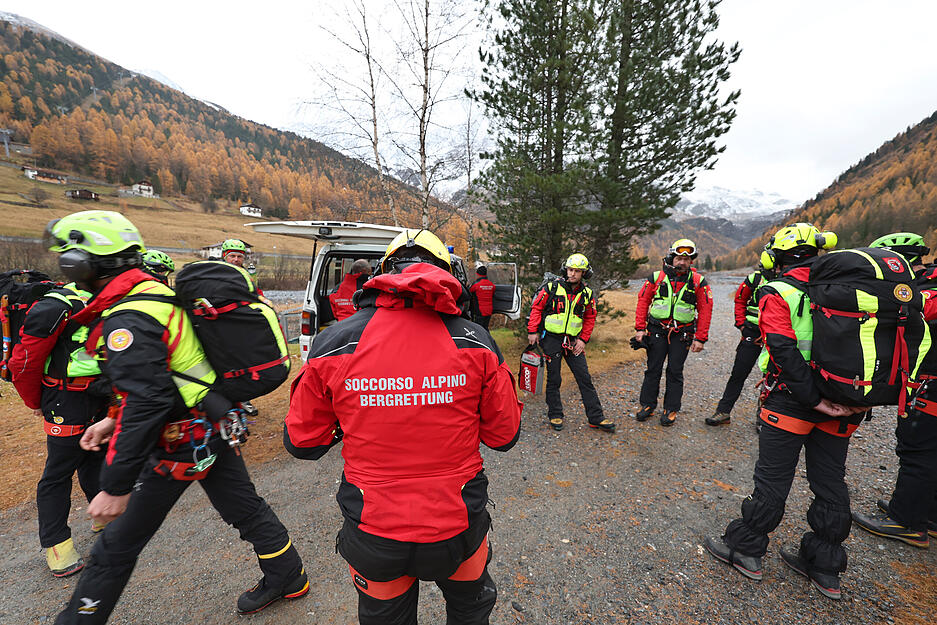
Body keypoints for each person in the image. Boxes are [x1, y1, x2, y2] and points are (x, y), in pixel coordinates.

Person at [45, 211, 307, 623]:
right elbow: (169, 374)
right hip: (211, 426)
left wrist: (114, 486)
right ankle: (288, 575)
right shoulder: (155, 295)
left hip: (181, 442)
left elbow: (146, 400)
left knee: (116, 546)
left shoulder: (128, 317)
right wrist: (112, 420)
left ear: (82, 265)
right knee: (245, 509)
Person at [284, 228, 522, 625]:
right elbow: (505, 435)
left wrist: (351, 418)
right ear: (449, 274)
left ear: (382, 273)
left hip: (374, 527)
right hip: (458, 524)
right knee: (470, 610)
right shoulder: (476, 341)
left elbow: (302, 441)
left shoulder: (336, 341)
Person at [704, 223, 864, 601]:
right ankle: (825, 568)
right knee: (830, 484)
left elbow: (781, 348)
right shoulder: (854, 291)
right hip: (845, 402)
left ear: (780, 255)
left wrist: (811, 398)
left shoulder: (781, 291)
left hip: (793, 402)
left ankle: (746, 549)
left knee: (773, 480)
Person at [8, 280, 110, 577]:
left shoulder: (109, 297)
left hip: (101, 394)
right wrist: (34, 401)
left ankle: (102, 516)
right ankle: (58, 545)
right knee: (59, 471)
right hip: (65, 399)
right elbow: (24, 362)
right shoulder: (55, 306)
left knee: (96, 455)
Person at [852, 232, 937, 547]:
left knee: (917, 448)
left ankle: (907, 521)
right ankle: (927, 513)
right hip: (928, 378)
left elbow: (917, 309)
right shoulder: (926, 283)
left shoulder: (923, 290)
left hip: (930, 382)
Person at [528, 253, 614, 433]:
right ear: (565, 269)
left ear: (584, 273)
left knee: (584, 378)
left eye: (577, 271)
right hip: (551, 340)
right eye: (570, 269)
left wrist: (583, 339)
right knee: (554, 379)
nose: (573, 273)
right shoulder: (551, 288)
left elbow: (590, 317)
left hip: (574, 342)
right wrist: (533, 331)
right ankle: (555, 414)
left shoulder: (587, 294)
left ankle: (596, 417)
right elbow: (536, 308)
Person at [633, 239, 713, 427]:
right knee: (653, 369)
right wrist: (639, 328)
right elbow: (643, 301)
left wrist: (700, 338)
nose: (682, 262)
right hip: (656, 330)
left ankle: (671, 408)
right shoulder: (656, 277)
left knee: (675, 371)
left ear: (691, 261)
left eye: (686, 259)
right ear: (671, 256)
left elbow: (706, 309)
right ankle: (647, 405)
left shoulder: (698, 282)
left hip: (682, 333)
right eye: (679, 258)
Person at [706, 260, 774, 426]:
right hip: (752, 332)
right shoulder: (754, 279)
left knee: (770, 378)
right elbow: (740, 300)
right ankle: (723, 412)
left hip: (775, 336)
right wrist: (742, 325)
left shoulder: (789, 280)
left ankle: (763, 418)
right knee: (738, 373)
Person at [219, 238, 259, 416]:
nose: (236, 259)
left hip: (242, 328)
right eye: (232, 256)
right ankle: (224, 403)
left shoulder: (247, 276)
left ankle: (244, 400)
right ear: (224, 256)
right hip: (220, 327)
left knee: (244, 366)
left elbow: (257, 297)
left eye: (239, 256)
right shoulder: (215, 274)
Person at [469, 265, 496, 330]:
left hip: (479, 312)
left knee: (478, 330)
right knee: (485, 328)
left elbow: (469, 293)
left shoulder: (476, 285)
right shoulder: (492, 285)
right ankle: (488, 339)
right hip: (489, 311)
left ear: (477, 274)